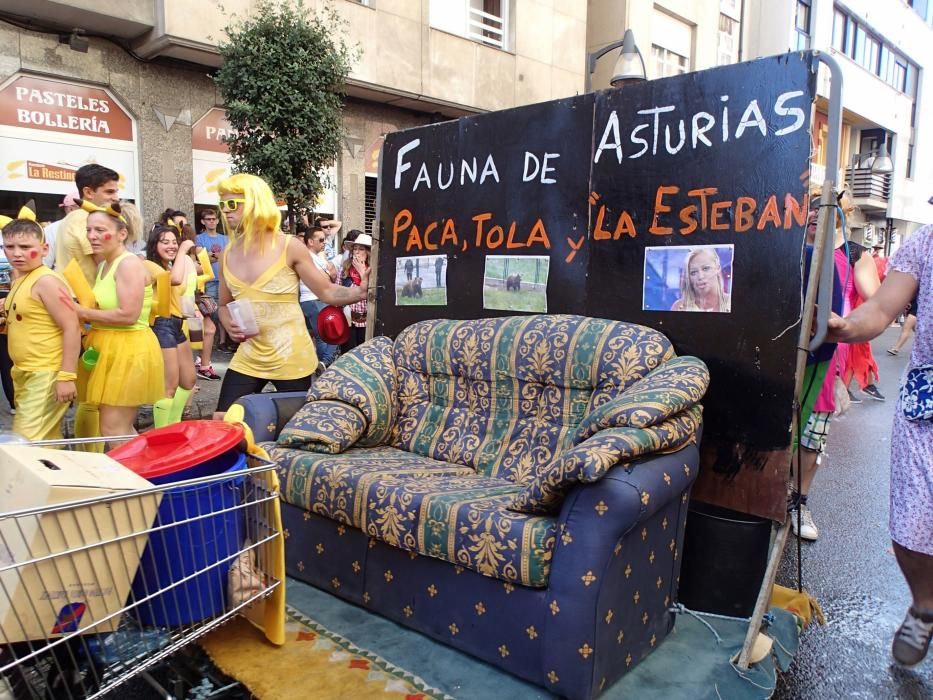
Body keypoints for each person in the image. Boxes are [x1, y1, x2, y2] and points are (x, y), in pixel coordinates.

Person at [828, 221, 933, 668]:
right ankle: (925, 606)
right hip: (926, 406)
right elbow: (881, 307)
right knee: (911, 527)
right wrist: (847, 326)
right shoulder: (926, 240)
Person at [213, 174, 368, 417]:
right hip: (250, 355)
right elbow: (223, 304)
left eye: (232, 204)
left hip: (291, 357)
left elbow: (326, 291)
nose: (225, 211)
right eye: (221, 205)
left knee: (294, 429)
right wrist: (227, 322)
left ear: (255, 203)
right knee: (223, 420)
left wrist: (360, 291)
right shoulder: (227, 253)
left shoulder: (289, 246)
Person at [70, 201, 164, 442]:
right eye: (89, 229)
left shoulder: (129, 263)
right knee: (114, 427)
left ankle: (137, 477)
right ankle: (140, 473)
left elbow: (128, 315)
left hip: (128, 350)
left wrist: (82, 312)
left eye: (100, 230)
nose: (92, 236)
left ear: (122, 234)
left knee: (114, 428)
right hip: (107, 349)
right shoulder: (104, 265)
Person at [788, 197, 844, 541]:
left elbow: (847, 319)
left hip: (825, 357)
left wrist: (842, 378)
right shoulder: (786, 253)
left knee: (813, 435)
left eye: (822, 208)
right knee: (785, 433)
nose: (814, 215)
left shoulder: (846, 257)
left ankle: (799, 501)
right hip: (785, 358)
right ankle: (777, 496)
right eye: (810, 206)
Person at [1, 216, 79, 441]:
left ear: (44, 249)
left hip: (45, 374)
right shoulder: (22, 278)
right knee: (44, 442)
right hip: (24, 372)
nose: (17, 253)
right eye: (10, 247)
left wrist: (66, 376)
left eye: (25, 247)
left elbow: (71, 327)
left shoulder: (46, 281)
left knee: (25, 442)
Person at [144, 225, 197, 425]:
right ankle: (162, 433)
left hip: (177, 324)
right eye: (165, 242)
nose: (172, 246)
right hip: (161, 324)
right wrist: (184, 250)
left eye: (174, 242)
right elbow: (173, 280)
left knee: (189, 380)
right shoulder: (149, 265)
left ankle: (173, 426)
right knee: (169, 387)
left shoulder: (169, 266)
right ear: (154, 245)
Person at [55, 164, 120, 285]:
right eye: (109, 192)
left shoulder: (75, 217)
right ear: (88, 192)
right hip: (83, 299)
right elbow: (105, 261)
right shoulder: (84, 217)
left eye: (116, 192)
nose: (116, 198)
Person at [298, 226, 339, 369]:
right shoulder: (308, 257)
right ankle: (326, 362)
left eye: (325, 240)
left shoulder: (317, 258)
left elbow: (331, 278)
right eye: (321, 240)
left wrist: (331, 275)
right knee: (333, 334)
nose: (324, 243)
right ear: (310, 241)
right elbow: (326, 279)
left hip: (314, 299)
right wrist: (330, 274)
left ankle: (323, 366)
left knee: (323, 337)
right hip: (314, 299)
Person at [671, 247, 731, 312]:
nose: (700, 276)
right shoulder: (679, 307)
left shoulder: (731, 303)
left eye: (706, 269)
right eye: (693, 272)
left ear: (718, 268)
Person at [339, 231, 371, 351]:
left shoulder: (374, 270)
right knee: (348, 352)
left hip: (367, 322)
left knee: (365, 353)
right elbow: (338, 292)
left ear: (368, 252)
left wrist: (363, 273)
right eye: (355, 249)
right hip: (349, 320)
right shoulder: (345, 268)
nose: (356, 252)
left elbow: (372, 295)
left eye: (361, 249)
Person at [41, 192, 80, 269]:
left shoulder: (91, 227)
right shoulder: (52, 229)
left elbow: (46, 262)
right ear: (70, 209)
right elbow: (46, 262)